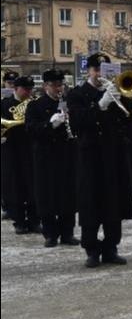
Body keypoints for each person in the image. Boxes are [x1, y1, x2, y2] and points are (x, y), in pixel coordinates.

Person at [66, 53, 132, 267]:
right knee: (91, 202)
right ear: (89, 71)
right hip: (90, 156)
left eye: (103, 71)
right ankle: (92, 249)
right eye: (96, 70)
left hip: (113, 155)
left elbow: (131, 118)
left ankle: (111, 247)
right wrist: (100, 105)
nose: (99, 75)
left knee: (113, 202)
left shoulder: (115, 92)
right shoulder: (77, 94)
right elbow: (78, 124)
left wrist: (122, 98)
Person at [24, 69, 79, 247]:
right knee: (47, 195)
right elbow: (30, 130)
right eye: (55, 85)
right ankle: (50, 234)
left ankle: (67, 233)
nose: (58, 88)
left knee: (67, 195)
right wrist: (50, 125)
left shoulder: (68, 103)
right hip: (46, 157)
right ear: (46, 86)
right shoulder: (36, 105)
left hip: (66, 155)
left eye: (60, 85)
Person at [1, 75, 40, 235]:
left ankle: (34, 221)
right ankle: (19, 222)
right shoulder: (4, 104)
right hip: (10, 148)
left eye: (30, 89)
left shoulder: (34, 103)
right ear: (16, 89)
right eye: (25, 89)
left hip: (30, 148)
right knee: (14, 186)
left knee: (33, 185)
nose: (28, 92)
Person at [1, 70, 20, 220]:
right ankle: (6, 205)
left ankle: (13, 205)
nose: (11, 86)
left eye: (14, 84)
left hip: (15, 141)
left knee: (13, 174)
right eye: (9, 83)